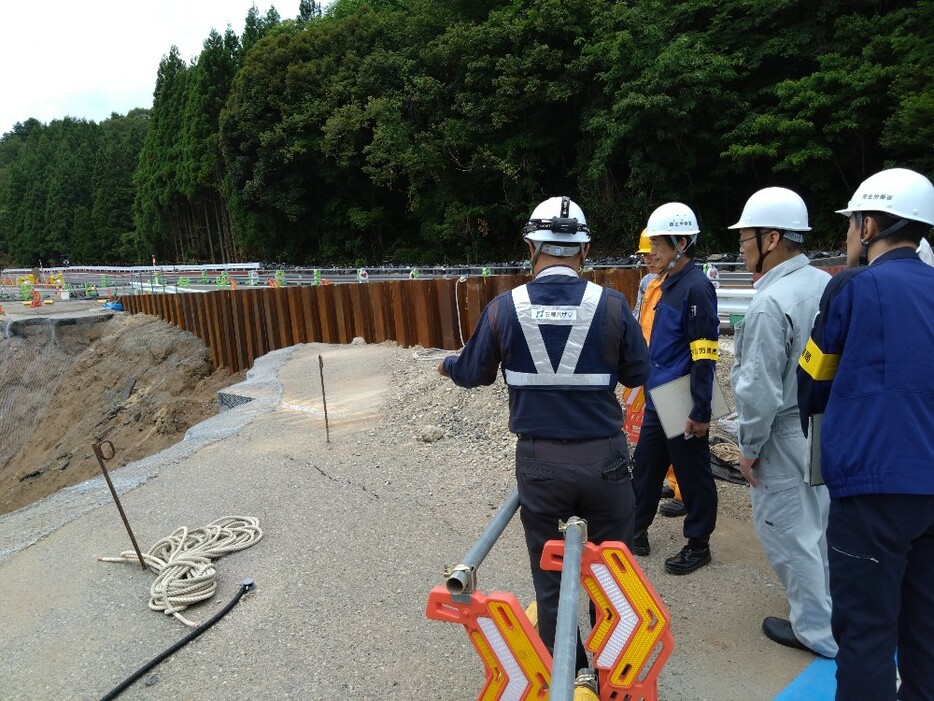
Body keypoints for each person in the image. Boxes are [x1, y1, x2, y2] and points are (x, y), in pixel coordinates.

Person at [437, 196, 650, 675]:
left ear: (531, 246)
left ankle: (568, 672)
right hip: (606, 462)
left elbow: (474, 372)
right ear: (585, 249)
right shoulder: (612, 305)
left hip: (540, 465)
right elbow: (637, 374)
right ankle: (614, 672)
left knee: (552, 579)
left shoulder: (503, 308)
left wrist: (448, 364)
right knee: (612, 575)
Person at [797, 168, 934, 699]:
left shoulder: (853, 287)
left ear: (869, 224)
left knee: (866, 635)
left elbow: (813, 383)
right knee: (924, 631)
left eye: (853, 224)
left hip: (872, 489)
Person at [727, 187, 836, 657]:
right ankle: (831, 608)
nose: (741, 247)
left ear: (771, 238)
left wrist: (749, 447)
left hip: (784, 427)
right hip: (822, 420)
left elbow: (759, 389)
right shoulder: (824, 283)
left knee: (788, 529)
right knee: (820, 520)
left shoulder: (771, 304)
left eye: (745, 238)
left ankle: (817, 631)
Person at [631, 202, 719, 575]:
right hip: (658, 393)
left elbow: (705, 354)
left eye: (658, 245)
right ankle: (634, 530)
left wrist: (700, 410)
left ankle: (698, 543)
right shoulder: (667, 284)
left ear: (682, 243)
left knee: (692, 471)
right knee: (646, 467)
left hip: (680, 398)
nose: (651, 253)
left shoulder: (696, 288)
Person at [632, 229, 685, 518]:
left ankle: (683, 491)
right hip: (651, 368)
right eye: (643, 255)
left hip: (673, 373)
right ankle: (668, 482)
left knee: (678, 437)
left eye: (651, 253)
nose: (647, 259)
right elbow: (639, 317)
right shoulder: (648, 283)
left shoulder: (681, 285)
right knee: (656, 439)